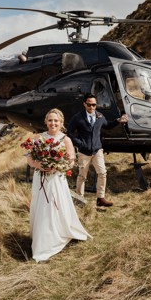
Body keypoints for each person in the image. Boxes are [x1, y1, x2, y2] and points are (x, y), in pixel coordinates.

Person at [27, 108, 90, 262]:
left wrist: (56, 167)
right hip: (41, 178)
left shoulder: (65, 140)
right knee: (42, 205)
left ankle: (56, 236)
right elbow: (29, 159)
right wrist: (39, 165)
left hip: (56, 179)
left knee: (54, 206)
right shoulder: (39, 138)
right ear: (46, 122)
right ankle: (41, 238)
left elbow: (70, 162)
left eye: (56, 120)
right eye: (50, 120)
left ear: (61, 123)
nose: (53, 123)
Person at [67, 94, 128, 208]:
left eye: (94, 105)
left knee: (102, 172)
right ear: (84, 104)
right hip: (84, 152)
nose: (92, 107)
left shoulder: (100, 116)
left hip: (97, 150)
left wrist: (118, 120)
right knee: (82, 176)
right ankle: (79, 199)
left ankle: (100, 198)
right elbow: (70, 133)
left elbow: (108, 126)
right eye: (89, 105)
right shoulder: (78, 117)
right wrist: (80, 143)